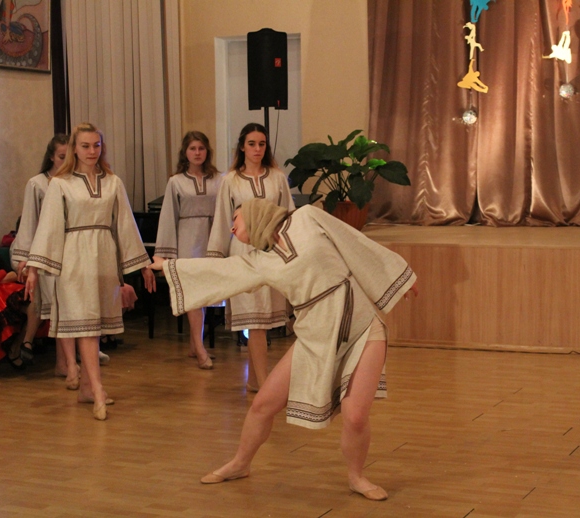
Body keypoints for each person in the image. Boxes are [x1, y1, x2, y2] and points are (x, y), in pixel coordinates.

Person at [151, 198, 418, 500]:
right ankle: (240, 463)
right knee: (262, 404)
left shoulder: (307, 217)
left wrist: (396, 274)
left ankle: (357, 477)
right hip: (315, 336)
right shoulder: (258, 261)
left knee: (355, 415)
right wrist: (169, 266)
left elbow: (353, 241)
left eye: (235, 219)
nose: (232, 227)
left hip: (360, 327)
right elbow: (219, 271)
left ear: (253, 213)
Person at [24, 122, 156, 420]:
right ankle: (97, 389)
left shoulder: (113, 182)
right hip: (73, 261)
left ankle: (86, 387)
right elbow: (49, 228)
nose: (92, 151)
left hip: (104, 260)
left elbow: (125, 225)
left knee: (94, 325)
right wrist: (34, 268)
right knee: (84, 325)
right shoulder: (60, 183)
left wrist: (142, 264)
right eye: (85, 146)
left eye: (96, 145)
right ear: (74, 148)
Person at [206, 123, 295, 390]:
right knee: (254, 320)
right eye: (252, 144)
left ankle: (256, 380)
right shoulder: (230, 180)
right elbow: (222, 220)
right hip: (243, 253)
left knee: (264, 321)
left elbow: (289, 215)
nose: (257, 149)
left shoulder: (277, 178)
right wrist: (216, 261)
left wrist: (292, 250)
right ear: (242, 147)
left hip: (271, 252)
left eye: (262, 144)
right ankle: (265, 383)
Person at [11, 134, 85, 385]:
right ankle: (66, 364)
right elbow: (30, 222)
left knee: (69, 307)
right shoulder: (37, 184)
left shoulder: (75, 182)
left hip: (71, 252)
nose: (66, 161)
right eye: (62, 156)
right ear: (52, 157)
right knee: (58, 307)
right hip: (45, 254)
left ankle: (63, 363)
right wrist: (27, 258)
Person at [154, 131, 223, 369]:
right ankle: (200, 349)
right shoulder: (176, 182)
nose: (197, 153)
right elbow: (168, 216)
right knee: (193, 295)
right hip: (187, 239)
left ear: (207, 151)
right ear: (185, 152)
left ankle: (195, 345)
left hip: (210, 238)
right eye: (193, 148)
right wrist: (165, 252)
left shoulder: (219, 180)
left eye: (201, 148)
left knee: (205, 294)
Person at [0, 249, 32, 370]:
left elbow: (12, 274)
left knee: (35, 306)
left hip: (4, 290)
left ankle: (20, 345)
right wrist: (1, 274)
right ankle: (18, 348)